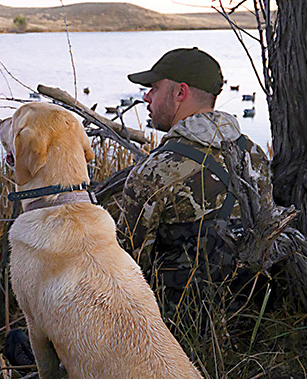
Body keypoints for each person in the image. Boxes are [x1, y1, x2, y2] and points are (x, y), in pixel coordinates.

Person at [116, 47, 279, 308]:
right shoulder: (254, 153)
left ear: (180, 92)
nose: (147, 97)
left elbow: (126, 269)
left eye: (154, 88)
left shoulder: (156, 170)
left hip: (173, 327)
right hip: (251, 312)